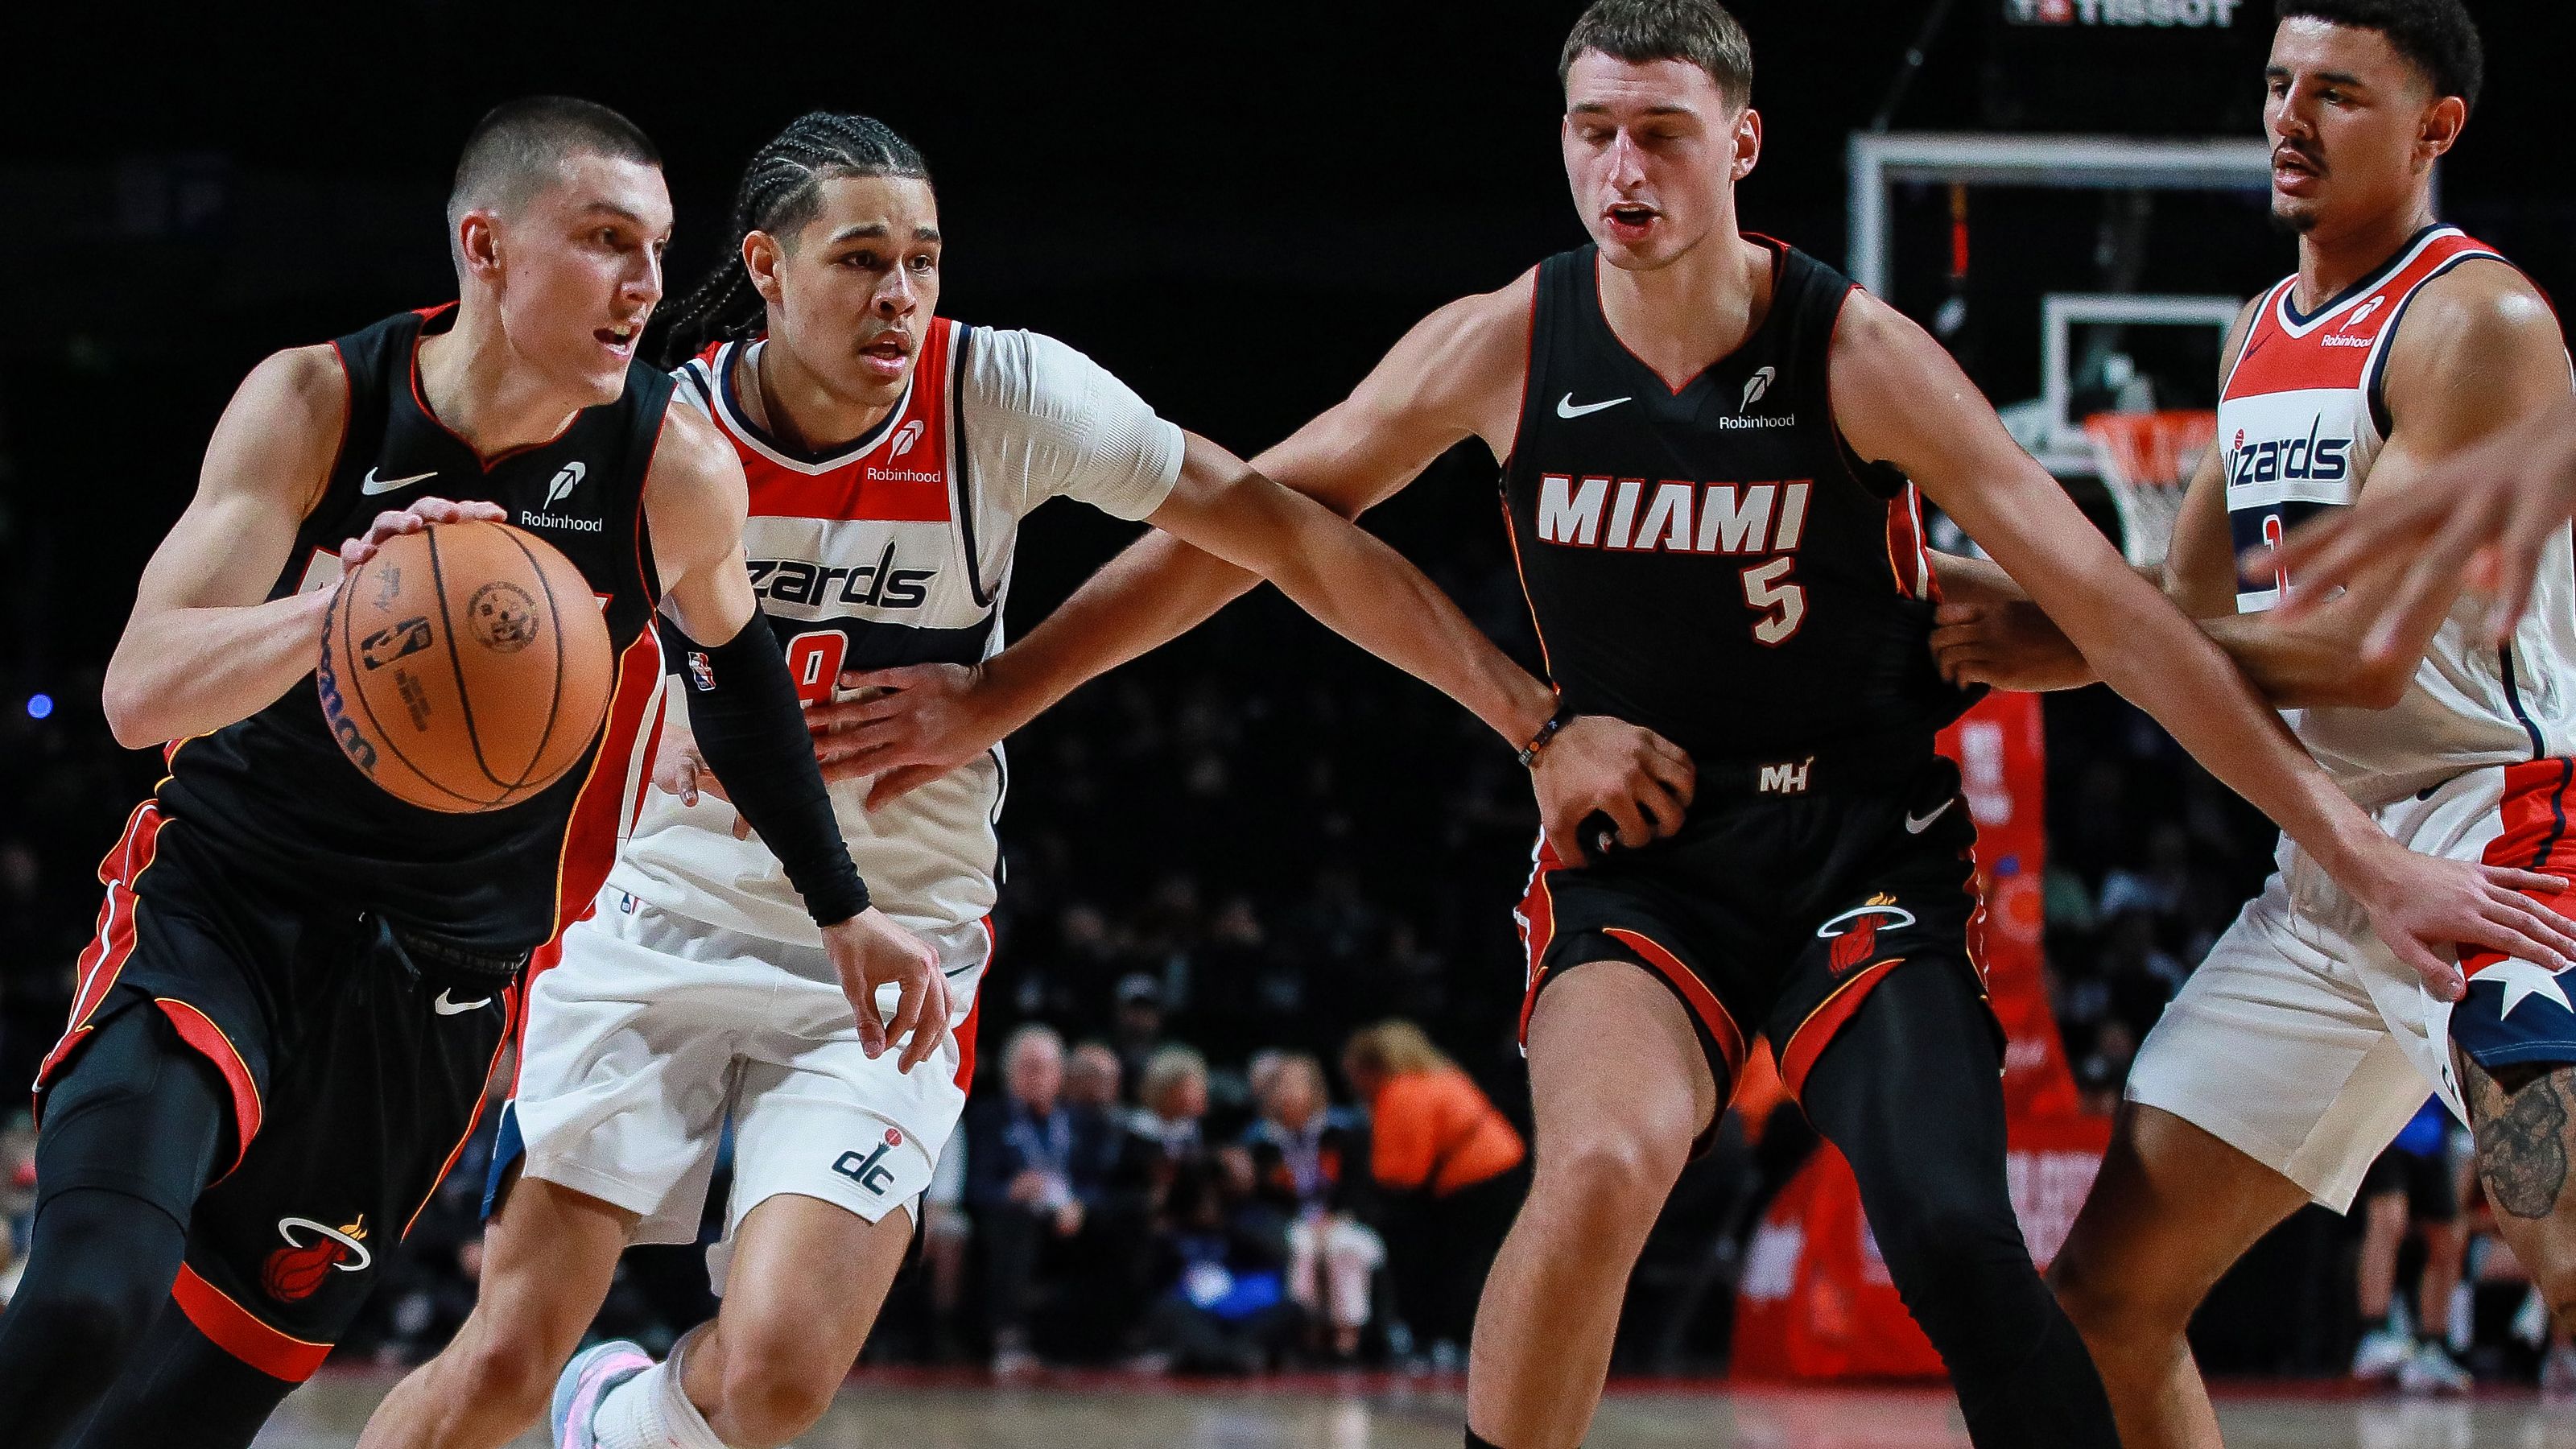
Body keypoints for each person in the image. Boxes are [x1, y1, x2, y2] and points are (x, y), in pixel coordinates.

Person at [839, 2, 2576, 1441]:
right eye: (1592, 128)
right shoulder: (1501, 339)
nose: (1621, 166)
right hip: (1643, 862)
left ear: (1739, 146)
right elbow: (1255, 519)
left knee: (1966, 1243)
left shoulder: (1859, 349)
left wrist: (2287, 794)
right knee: (1596, 1170)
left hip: (1870, 844)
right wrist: (1005, 694)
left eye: (1660, 131)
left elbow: (2126, 613)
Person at [361, 107, 1684, 1449]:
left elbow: (1280, 530)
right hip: (659, 920)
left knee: (771, 1382)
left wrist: (1529, 720)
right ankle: (567, 1401)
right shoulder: (652, 429)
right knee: (498, 1364)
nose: (901, 297)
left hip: (892, 958)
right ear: (764, 267)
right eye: (861, 259)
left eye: (924, 261)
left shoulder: (995, 393)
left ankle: (617, 1423)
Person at [0, 97, 943, 1449]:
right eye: (607, 241)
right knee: (87, 1307)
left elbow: (736, 694)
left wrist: (845, 908)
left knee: (187, 1412)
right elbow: (138, 690)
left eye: (659, 249)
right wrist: (345, 612)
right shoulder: (322, 398)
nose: (645, 287)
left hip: (432, 982)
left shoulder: (670, 463)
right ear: (485, 247)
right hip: (224, 908)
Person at [1930, 6, 2576, 1445]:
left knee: (2571, 1263)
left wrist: (2083, 632)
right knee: (2106, 1300)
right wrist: (2054, 630)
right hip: (2328, 869)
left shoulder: (2480, 322)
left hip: (2502, 842)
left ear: (2436, 128)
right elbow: (2177, 612)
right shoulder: (2260, 332)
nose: (2290, 117)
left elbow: (2352, 651)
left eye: (2339, 93)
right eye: (2280, 84)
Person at [1342, 1022, 1524, 1368]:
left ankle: (1442, 1342)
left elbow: (1401, 1176)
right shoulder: (1441, 1076)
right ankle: (1463, 1343)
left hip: (1477, 1182)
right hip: (1504, 1168)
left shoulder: (1401, 1092)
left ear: (1372, 1068)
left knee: (1455, 1266)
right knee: (1480, 1266)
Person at [960, 1025, 1133, 1374]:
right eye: (1026, 1068)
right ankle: (1008, 1340)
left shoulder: (1081, 1121)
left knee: (1127, 1217)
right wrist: (1010, 1191)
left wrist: (1079, 1203)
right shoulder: (986, 1119)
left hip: (1070, 1215)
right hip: (1013, 1216)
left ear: (1060, 1075)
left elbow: (1098, 1183)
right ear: (1008, 1073)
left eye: (1044, 1068)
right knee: (1012, 1221)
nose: (1035, 1077)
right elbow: (972, 1187)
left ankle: (1119, 1338)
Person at [1243, 1052, 1381, 1358]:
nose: (1287, 1093)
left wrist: (1337, 1218)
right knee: (1301, 1247)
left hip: (1341, 1219)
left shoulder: (1345, 1131)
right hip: (1290, 1223)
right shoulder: (1261, 1142)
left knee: (1344, 1247)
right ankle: (1305, 1335)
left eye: (1295, 1085)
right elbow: (1263, 1201)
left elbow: (1361, 1188)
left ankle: (1348, 1337)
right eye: (1280, 1085)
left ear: (1315, 1090)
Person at [2350, 1098, 2470, 1393]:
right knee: (2389, 1221)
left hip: (2431, 1137)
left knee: (2449, 1240)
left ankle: (2432, 1349)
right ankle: (2373, 1335)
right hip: (2387, 1126)